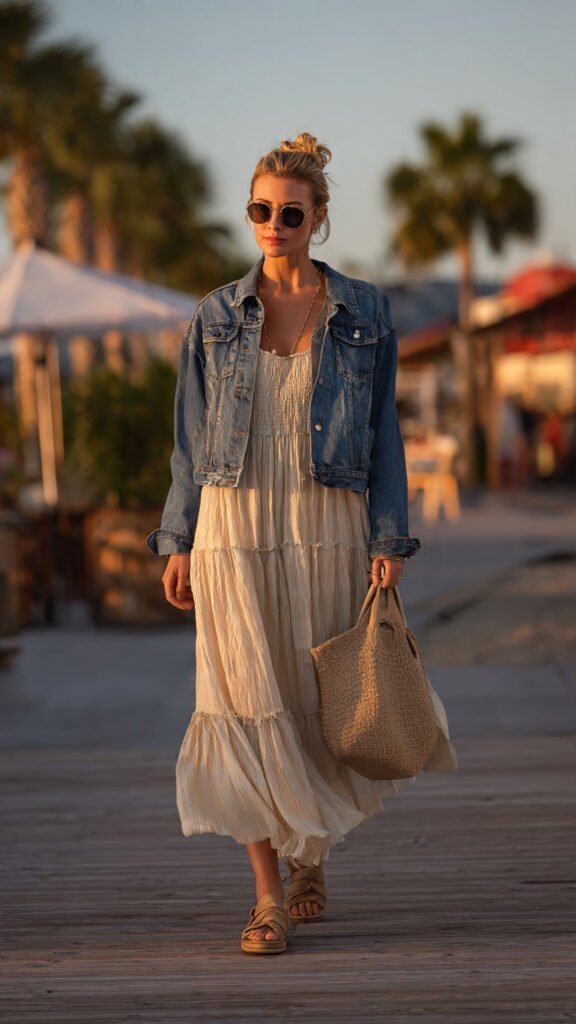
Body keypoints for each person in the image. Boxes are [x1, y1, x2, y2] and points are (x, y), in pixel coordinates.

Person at [146, 132, 457, 955]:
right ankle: (267, 896)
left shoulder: (364, 311)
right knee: (241, 699)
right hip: (233, 527)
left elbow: (385, 431)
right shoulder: (215, 313)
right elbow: (190, 438)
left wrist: (390, 535)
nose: (273, 223)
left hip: (326, 526)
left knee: (319, 699)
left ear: (319, 219)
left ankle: (311, 852)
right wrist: (178, 539)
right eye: (260, 210)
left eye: (290, 212)